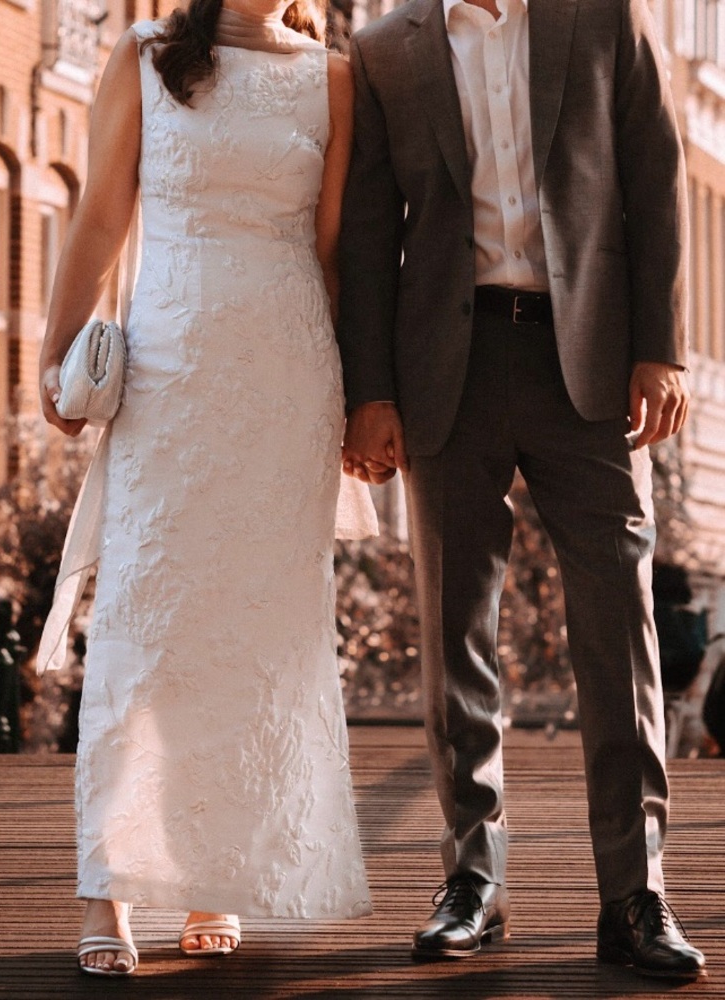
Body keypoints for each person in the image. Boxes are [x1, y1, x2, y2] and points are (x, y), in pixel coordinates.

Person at [338, 0, 706, 981]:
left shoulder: (598, 16)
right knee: (455, 620)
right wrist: (368, 388)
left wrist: (659, 349)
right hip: (445, 366)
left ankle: (635, 893)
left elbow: (654, 175)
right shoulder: (382, 50)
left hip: (582, 364)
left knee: (617, 622)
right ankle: (473, 881)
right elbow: (369, 233)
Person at [37, 0, 373, 977]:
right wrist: (55, 347)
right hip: (169, 371)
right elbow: (101, 208)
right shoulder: (141, 56)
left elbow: (335, 249)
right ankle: (107, 882)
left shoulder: (335, 77)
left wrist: (358, 401)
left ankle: (211, 875)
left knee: (258, 628)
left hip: (287, 377)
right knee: (145, 622)